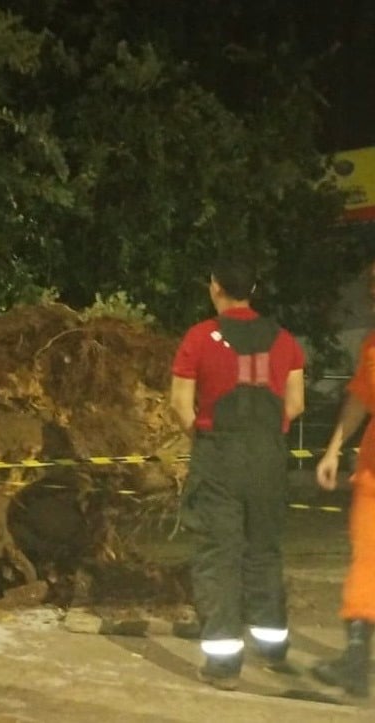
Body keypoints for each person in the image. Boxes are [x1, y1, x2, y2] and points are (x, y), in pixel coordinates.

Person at [170, 257, 305, 690]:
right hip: (268, 456)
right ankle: (273, 648)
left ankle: (224, 665)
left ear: (215, 288)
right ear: (254, 290)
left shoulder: (198, 337)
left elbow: (180, 404)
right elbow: (295, 404)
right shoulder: (284, 340)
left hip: (219, 454)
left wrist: (206, 438)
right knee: (264, 549)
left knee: (218, 556)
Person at [311, 261, 375, 698]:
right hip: (371, 476)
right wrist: (334, 448)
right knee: (366, 564)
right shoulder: (372, 346)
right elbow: (360, 397)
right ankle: (355, 659)